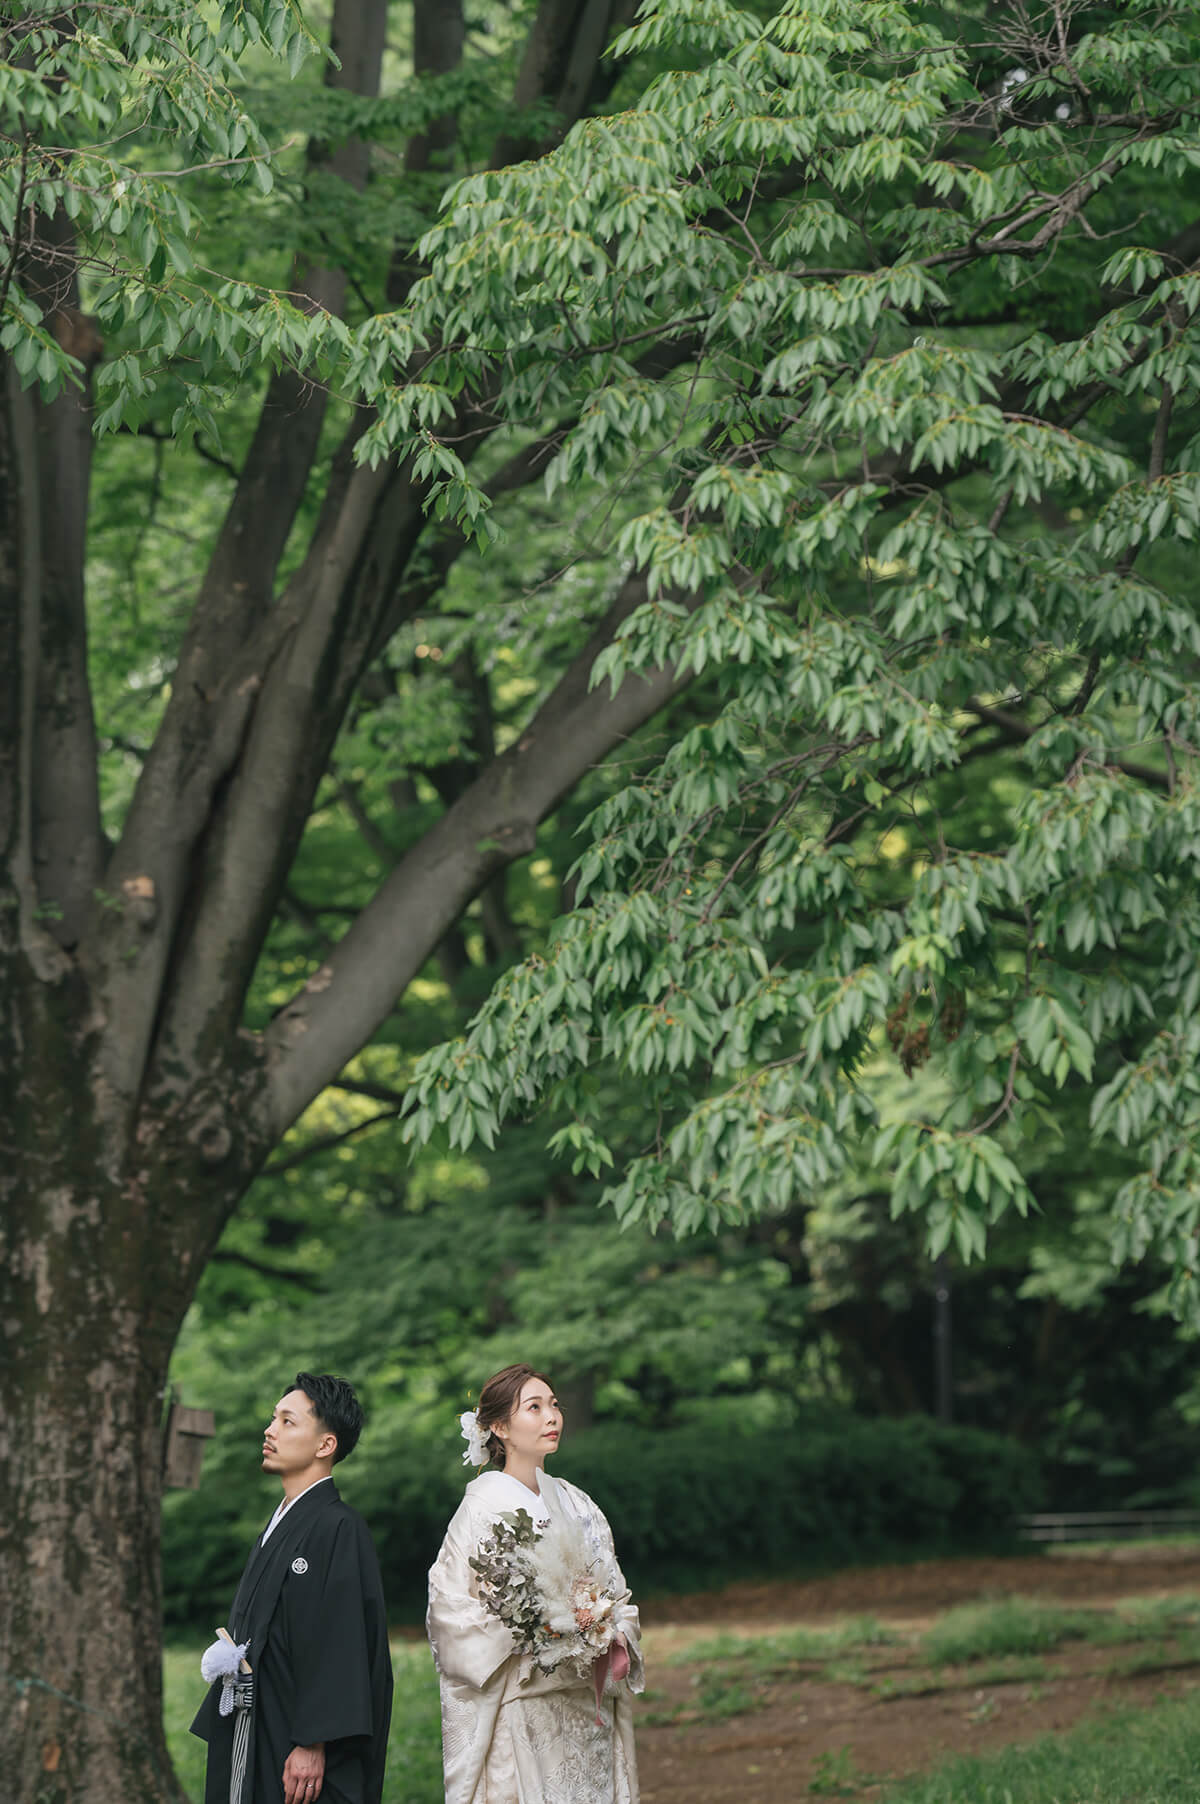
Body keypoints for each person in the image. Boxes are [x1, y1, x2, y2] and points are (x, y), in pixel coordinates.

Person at [427, 1363, 643, 1803]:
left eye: (554, 1405)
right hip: (525, 1705)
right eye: (535, 1407)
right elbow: (451, 1612)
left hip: (586, 1704)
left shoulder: (578, 1502)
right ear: (500, 1427)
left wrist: (605, 1627)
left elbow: (617, 1592)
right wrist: (537, 1630)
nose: (552, 1417)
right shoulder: (481, 1510)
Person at [191, 1372, 393, 1804]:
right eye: (273, 1419)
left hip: (299, 1739)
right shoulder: (280, 1521)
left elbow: (340, 1639)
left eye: (287, 1421)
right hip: (259, 1717)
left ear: (325, 1445)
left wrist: (314, 1741)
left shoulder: (340, 1526)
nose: (269, 1430)